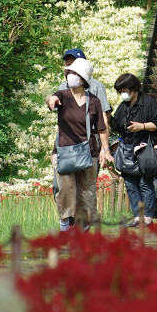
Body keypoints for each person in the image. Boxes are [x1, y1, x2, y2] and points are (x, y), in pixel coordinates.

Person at [52, 57, 112, 231]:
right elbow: (51, 99)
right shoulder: (62, 95)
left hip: (88, 152)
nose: (70, 75)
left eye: (73, 73)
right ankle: (65, 223)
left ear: (82, 78)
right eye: (69, 72)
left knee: (87, 192)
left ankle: (83, 229)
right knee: (65, 190)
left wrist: (106, 150)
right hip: (65, 151)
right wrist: (51, 101)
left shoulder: (93, 101)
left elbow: (101, 128)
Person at [111, 73, 157, 228]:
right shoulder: (123, 106)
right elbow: (118, 127)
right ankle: (137, 216)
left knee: (145, 183)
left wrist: (142, 126)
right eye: (120, 91)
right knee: (130, 185)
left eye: (124, 89)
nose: (123, 93)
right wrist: (108, 117)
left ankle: (148, 216)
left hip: (144, 148)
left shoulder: (148, 103)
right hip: (127, 150)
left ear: (133, 88)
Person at [46, 47, 111, 135]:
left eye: (73, 63)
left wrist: (104, 146)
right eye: (67, 63)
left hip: (90, 136)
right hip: (67, 139)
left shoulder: (96, 86)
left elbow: (104, 116)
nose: (69, 67)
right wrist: (50, 99)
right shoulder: (63, 86)